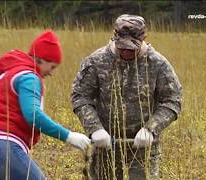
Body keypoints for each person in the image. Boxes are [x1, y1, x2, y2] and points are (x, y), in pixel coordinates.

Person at [71, 14, 182, 179]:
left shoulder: (158, 64)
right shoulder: (96, 61)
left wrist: (151, 128)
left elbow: (172, 101)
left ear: (143, 40)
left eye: (131, 48)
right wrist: (95, 129)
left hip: (143, 145)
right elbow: (80, 97)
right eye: (122, 47)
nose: (126, 52)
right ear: (115, 39)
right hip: (105, 144)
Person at [0, 30, 91, 180]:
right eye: (52, 66)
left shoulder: (6, 75)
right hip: (3, 148)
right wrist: (68, 136)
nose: (51, 73)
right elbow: (33, 115)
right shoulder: (29, 77)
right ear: (41, 59)